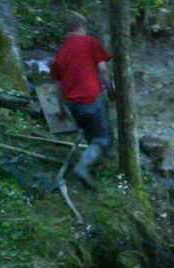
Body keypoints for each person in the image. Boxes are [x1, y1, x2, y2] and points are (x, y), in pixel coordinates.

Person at [50, 12, 114, 188]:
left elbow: (58, 86)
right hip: (90, 98)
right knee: (104, 139)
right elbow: (103, 70)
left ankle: (92, 164)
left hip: (72, 103)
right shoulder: (90, 42)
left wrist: (62, 109)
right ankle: (83, 168)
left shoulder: (61, 52)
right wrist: (111, 91)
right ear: (81, 26)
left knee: (90, 133)